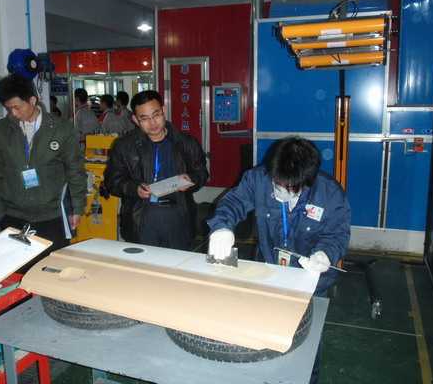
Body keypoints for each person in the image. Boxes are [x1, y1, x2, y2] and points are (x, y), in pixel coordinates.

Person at [207, 137, 350, 384]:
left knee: (306, 342)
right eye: (276, 183)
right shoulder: (258, 179)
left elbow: (337, 233)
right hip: (269, 273)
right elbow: (233, 202)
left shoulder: (329, 193)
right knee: (263, 330)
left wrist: (325, 254)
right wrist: (222, 227)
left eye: (288, 188)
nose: (278, 190)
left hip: (311, 281)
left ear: (307, 181)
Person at [0, 74, 87, 258]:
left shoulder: (61, 129)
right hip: (13, 215)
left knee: (51, 267)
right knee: (18, 267)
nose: (13, 113)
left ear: (32, 100)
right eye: (8, 108)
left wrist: (78, 207)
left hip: (52, 215)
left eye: (17, 107)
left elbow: (76, 171)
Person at [104, 90, 208, 250]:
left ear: (163, 110)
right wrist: (134, 188)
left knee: (177, 262)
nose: (152, 123)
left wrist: (192, 180)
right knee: (144, 263)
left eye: (156, 115)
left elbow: (201, 173)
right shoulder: (124, 146)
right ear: (135, 120)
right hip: (142, 216)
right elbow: (112, 181)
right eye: (144, 118)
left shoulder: (185, 143)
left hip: (178, 215)